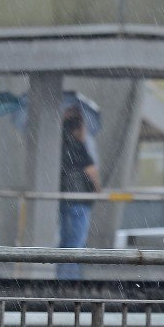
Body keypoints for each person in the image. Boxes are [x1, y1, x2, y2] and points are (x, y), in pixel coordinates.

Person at [58, 113, 100, 279]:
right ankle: (70, 281)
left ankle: (61, 280)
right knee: (77, 242)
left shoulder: (60, 145)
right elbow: (90, 170)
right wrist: (98, 189)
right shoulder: (78, 145)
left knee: (65, 241)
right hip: (80, 199)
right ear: (77, 129)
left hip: (65, 198)